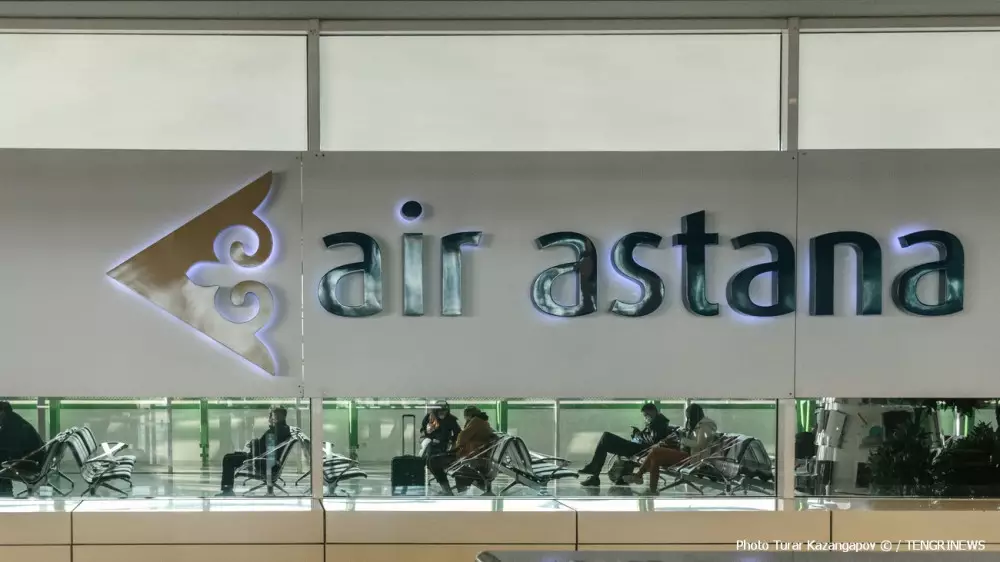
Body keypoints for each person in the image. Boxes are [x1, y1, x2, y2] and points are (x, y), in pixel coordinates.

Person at [628, 403, 718, 494]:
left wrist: (682, 439)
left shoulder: (705, 426)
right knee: (656, 458)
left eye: (689, 417)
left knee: (655, 451)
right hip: (687, 454)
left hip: (694, 459)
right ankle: (652, 490)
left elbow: (699, 445)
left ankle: (639, 476)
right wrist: (682, 434)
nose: (688, 420)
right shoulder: (698, 424)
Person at [578, 403, 670, 487]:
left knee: (606, 438)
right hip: (639, 447)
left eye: (646, 415)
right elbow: (650, 437)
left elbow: (653, 441)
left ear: (653, 412)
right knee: (605, 440)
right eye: (645, 415)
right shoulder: (656, 421)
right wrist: (638, 434)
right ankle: (594, 474)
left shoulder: (660, 422)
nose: (645, 417)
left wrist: (639, 435)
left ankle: (594, 471)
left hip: (641, 450)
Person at [218, 407, 292, 496]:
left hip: (261, 461)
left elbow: (268, 450)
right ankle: (227, 488)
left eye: (271, 416)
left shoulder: (276, 430)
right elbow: (268, 448)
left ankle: (227, 490)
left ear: (278, 417)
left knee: (228, 459)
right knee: (232, 456)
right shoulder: (282, 429)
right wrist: (256, 443)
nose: (269, 418)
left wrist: (255, 444)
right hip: (263, 459)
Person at [0, 401, 45, 497]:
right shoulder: (14, 420)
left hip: (31, 463)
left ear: (2, 412)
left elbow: (5, 442)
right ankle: (5, 491)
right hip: (34, 460)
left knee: (1, 462)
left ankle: (4, 493)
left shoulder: (11, 423)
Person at [421, 401, 462, 495]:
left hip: (445, 448)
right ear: (436, 411)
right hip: (432, 446)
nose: (442, 413)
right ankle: (446, 489)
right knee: (429, 461)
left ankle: (447, 489)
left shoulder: (451, 419)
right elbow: (423, 431)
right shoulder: (429, 418)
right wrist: (430, 437)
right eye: (440, 411)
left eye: (444, 411)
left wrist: (451, 441)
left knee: (432, 462)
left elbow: (458, 433)